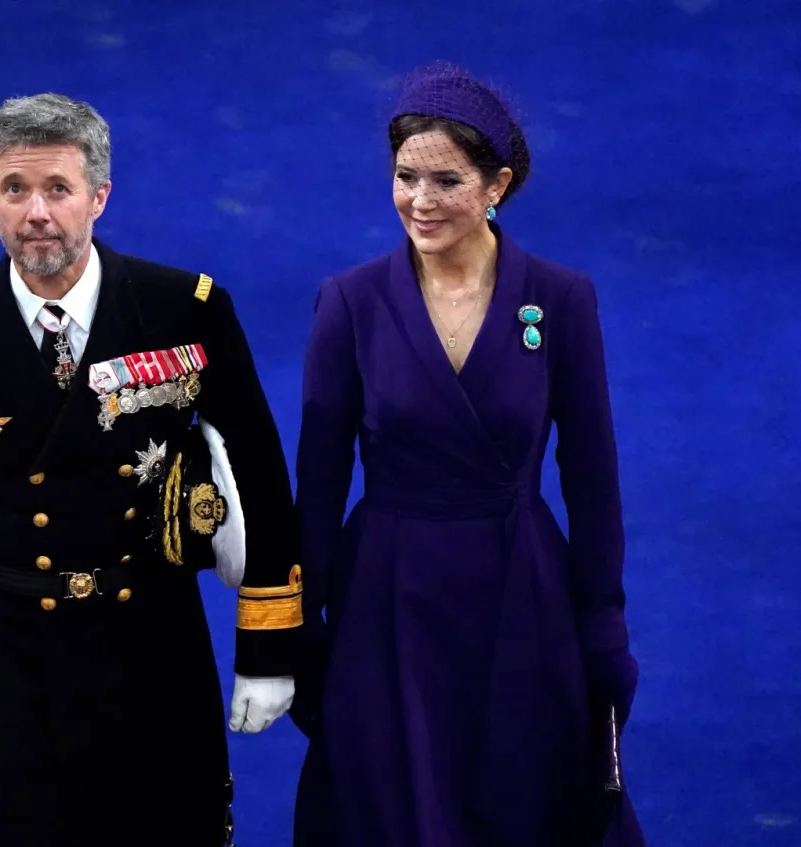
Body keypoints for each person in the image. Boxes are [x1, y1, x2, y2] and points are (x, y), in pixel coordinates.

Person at [0, 92, 304, 846]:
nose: (36, 212)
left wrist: (266, 647)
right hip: (9, 653)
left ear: (99, 196)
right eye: (15, 189)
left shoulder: (184, 309)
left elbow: (259, 473)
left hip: (153, 639)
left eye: (58, 188)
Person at [289, 62, 645, 846]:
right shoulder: (349, 302)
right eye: (405, 176)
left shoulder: (561, 300)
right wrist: (295, 626)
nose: (419, 200)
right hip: (388, 608)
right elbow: (317, 487)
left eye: (445, 180)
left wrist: (605, 628)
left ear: (497, 186)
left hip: (521, 600)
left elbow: (593, 483)